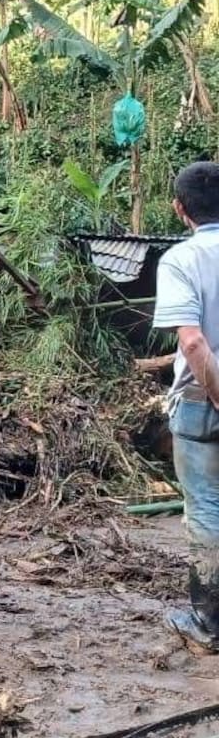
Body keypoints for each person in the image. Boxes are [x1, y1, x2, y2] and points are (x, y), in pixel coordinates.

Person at [152, 161, 219, 652]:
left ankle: (208, 623)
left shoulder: (182, 259)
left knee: (207, 510)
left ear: (180, 209)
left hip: (204, 403)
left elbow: (194, 344)